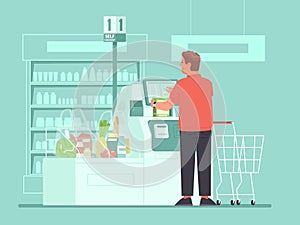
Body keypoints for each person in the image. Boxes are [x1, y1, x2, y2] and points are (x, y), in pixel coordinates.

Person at [150, 51, 216, 206]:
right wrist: (176, 93)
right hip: (205, 127)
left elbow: (167, 106)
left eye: (182, 62)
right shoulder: (208, 83)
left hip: (188, 129)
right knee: (204, 162)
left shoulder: (182, 84)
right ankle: (205, 198)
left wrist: (154, 104)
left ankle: (187, 198)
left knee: (187, 162)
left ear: (188, 64)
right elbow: (198, 97)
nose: (180, 64)